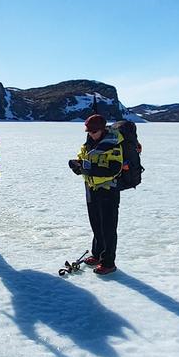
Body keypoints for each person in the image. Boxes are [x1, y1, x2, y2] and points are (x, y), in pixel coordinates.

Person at [68, 113, 123, 274]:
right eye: (88, 131)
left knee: (108, 228)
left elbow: (114, 169)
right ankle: (97, 254)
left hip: (107, 191)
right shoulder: (89, 144)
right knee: (96, 225)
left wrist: (87, 169)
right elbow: (82, 159)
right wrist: (75, 164)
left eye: (93, 131)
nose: (90, 134)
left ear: (102, 130)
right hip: (91, 189)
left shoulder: (113, 145)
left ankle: (108, 263)